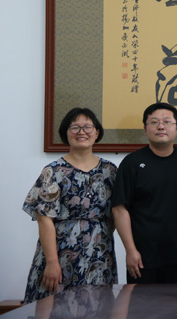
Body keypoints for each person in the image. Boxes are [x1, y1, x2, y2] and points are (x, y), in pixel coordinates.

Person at [22, 108, 117, 303]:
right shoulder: (53, 171)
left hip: (99, 254)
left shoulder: (110, 170)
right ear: (66, 133)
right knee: (53, 306)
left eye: (88, 127)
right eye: (75, 127)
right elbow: (44, 218)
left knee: (98, 306)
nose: (81, 132)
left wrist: (96, 234)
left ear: (97, 132)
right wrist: (52, 262)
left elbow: (117, 214)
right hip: (58, 252)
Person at [112, 102, 177, 284]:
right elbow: (119, 209)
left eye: (167, 122)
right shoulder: (132, 163)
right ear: (145, 128)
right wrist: (130, 250)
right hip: (142, 257)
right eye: (154, 122)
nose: (161, 126)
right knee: (141, 303)